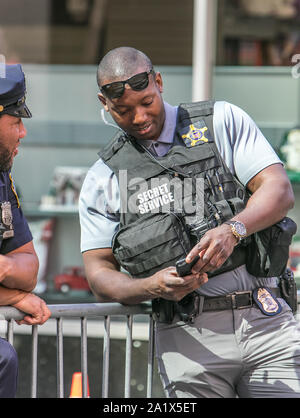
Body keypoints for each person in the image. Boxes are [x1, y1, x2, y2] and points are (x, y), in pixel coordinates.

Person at [79, 46, 300, 398]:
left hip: (266, 322)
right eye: (123, 110)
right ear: (104, 104)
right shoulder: (103, 177)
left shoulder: (220, 120)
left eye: (147, 102)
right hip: (187, 339)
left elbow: (278, 190)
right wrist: (151, 286)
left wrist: (233, 228)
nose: (139, 117)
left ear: (160, 82)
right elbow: (99, 273)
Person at [0, 64, 51, 398]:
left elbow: (29, 267)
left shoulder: (3, 180)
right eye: (16, 121)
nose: (23, 133)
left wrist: (3, 267)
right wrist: (13, 296)